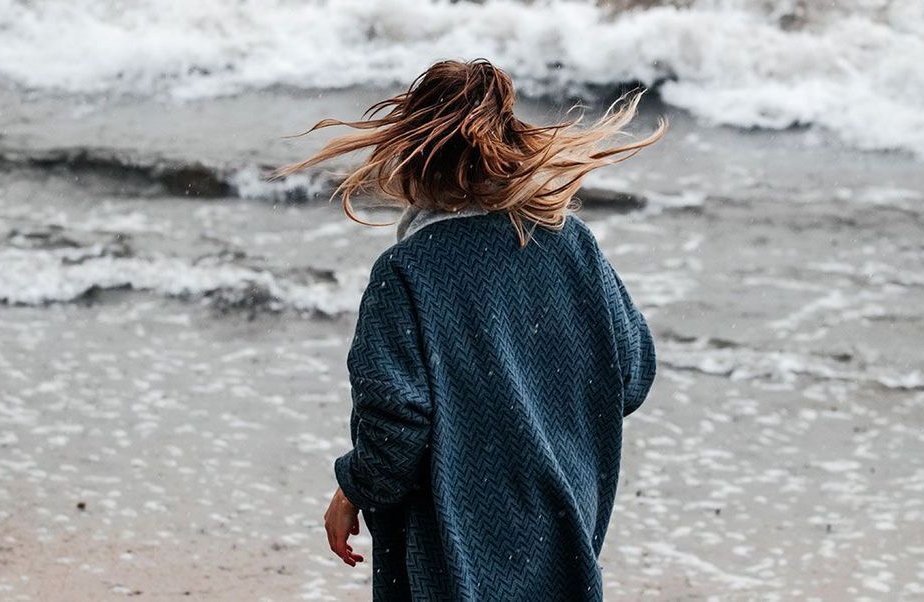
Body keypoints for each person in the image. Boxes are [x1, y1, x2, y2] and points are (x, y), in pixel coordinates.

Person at [272, 58, 664, 601]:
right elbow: (632, 372)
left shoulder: (407, 271)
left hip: (453, 554)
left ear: (413, 152)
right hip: (562, 525)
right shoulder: (573, 244)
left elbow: (397, 431)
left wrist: (351, 490)